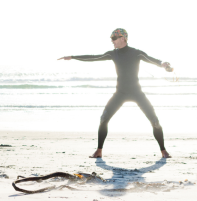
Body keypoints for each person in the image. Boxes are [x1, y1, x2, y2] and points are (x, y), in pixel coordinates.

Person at [59, 28, 174, 159]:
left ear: (123, 38)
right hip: (120, 93)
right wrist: (73, 57)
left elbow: (152, 59)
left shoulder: (136, 53)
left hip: (137, 92)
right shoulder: (113, 54)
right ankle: (99, 151)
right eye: (111, 39)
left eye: (114, 38)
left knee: (155, 121)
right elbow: (94, 57)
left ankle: (164, 151)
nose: (112, 41)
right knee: (103, 119)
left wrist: (163, 64)